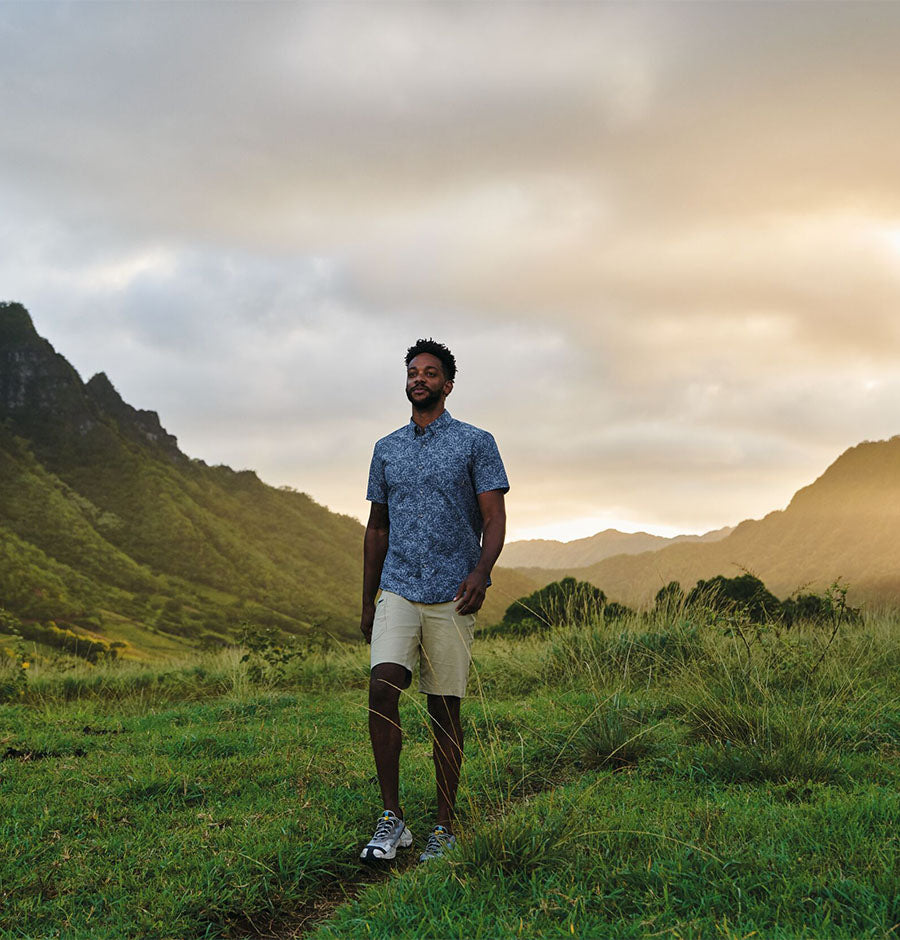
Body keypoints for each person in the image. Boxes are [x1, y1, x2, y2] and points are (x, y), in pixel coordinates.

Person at [359, 338, 508, 863]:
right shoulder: (386, 448)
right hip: (398, 586)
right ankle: (392, 818)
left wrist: (481, 573)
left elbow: (493, 517)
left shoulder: (476, 443)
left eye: (429, 372)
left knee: (444, 709)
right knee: (382, 688)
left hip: (453, 594)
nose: (419, 379)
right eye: (412, 372)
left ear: (447, 384)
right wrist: (368, 599)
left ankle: (444, 826)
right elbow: (377, 528)